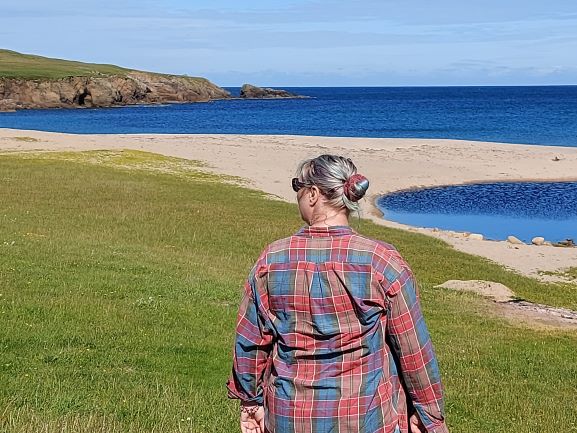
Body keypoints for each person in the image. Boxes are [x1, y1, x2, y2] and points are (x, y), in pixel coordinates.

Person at [227, 155, 448, 433]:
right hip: (366, 417)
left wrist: (250, 402)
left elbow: (250, 341)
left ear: (313, 194)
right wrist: (430, 416)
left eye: (298, 186)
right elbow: (414, 349)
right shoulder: (381, 261)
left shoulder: (273, 259)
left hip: (290, 418)